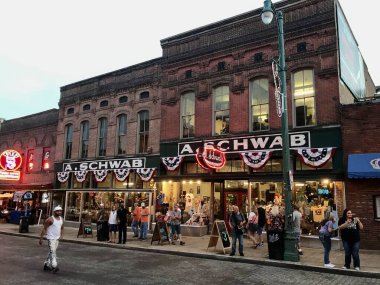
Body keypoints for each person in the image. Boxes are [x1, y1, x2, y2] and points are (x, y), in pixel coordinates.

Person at [39, 205, 64, 273]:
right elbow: (44, 229)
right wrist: (41, 239)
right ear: (54, 212)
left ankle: (46, 265)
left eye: (60, 211)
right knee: (53, 252)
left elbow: (61, 228)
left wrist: (61, 235)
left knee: (51, 252)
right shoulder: (50, 219)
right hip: (51, 238)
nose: (59, 212)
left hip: (57, 239)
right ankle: (54, 266)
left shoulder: (61, 219)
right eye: (57, 211)